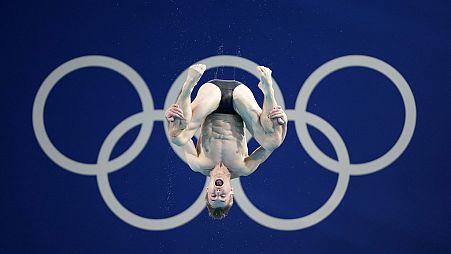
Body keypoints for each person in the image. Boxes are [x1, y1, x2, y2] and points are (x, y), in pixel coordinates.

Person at [165, 64, 287, 219]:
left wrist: (171, 118)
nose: (218, 194)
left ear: (207, 191)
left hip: (210, 97)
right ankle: (268, 90)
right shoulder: (244, 168)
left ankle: (188, 85)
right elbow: (273, 145)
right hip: (239, 101)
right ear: (231, 192)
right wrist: (284, 121)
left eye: (213, 197)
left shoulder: (198, 164)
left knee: (178, 137)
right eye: (222, 198)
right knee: (273, 141)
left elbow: (178, 135)